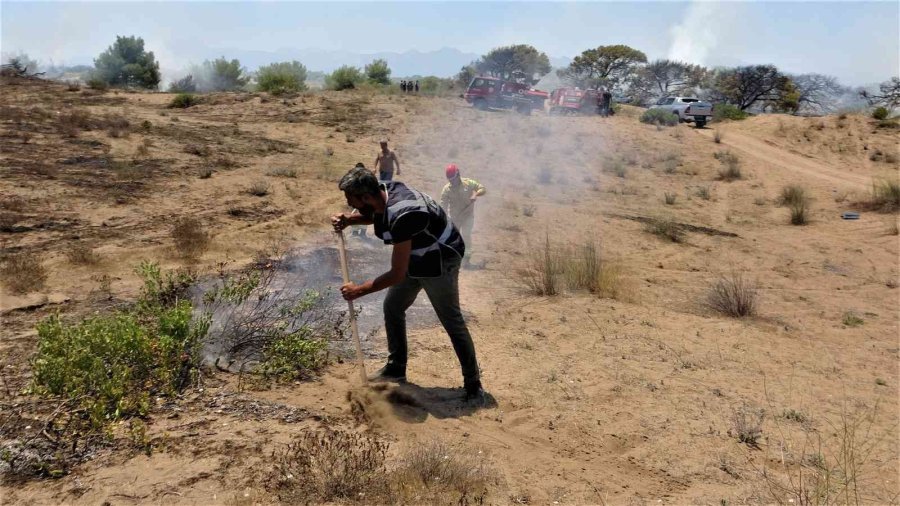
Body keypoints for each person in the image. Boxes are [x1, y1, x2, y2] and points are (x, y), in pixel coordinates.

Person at [331, 166, 485, 403]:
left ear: (365, 197)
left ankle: (473, 385)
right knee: (393, 307)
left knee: (451, 319)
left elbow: (396, 273)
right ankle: (396, 368)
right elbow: (377, 214)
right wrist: (351, 220)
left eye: (351, 201)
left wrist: (359, 289)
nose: (348, 204)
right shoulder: (384, 192)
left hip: (441, 258)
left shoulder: (405, 214)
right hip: (418, 252)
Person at [439, 164, 485, 267]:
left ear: (458, 174)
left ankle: (466, 261)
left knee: (466, 235)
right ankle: (451, 260)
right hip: (455, 218)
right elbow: (443, 205)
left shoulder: (469, 183)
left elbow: (482, 189)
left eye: (453, 179)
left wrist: (475, 194)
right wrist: (444, 219)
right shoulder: (446, 189)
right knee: (452, 238)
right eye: (450, 180)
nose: (452, 182)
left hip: (468, 216)